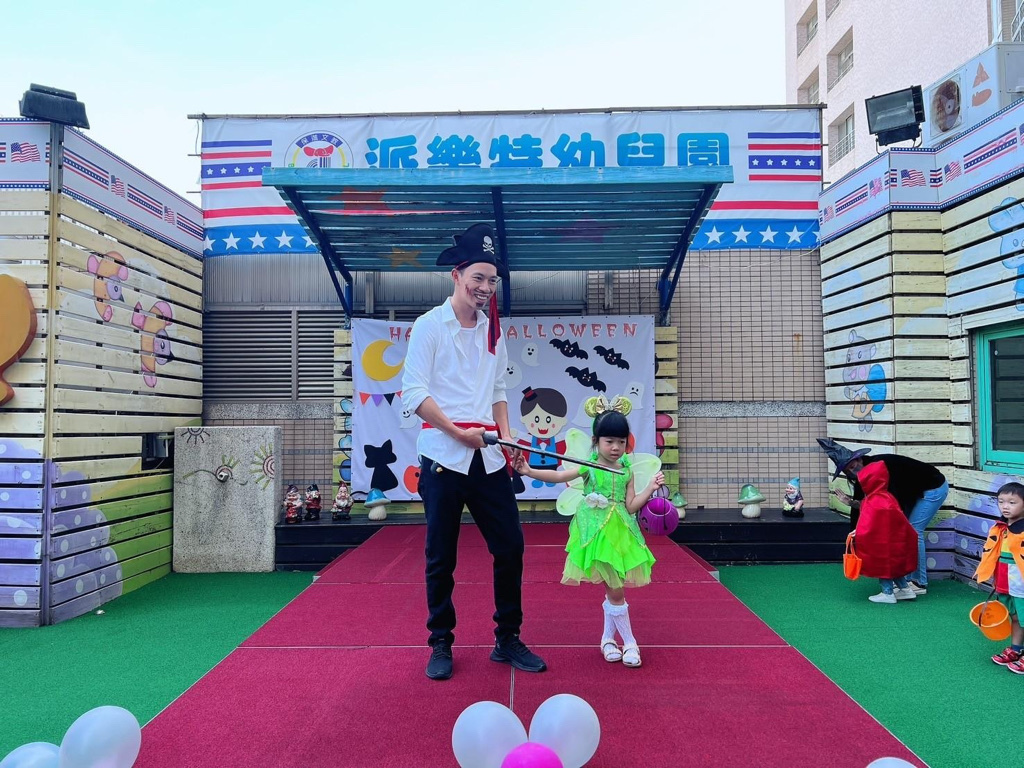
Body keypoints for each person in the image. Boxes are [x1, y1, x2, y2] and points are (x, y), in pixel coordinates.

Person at [401, 223, 546, 681]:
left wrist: (508, 440)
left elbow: (498, 390)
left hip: (489, 457)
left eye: (492, 280)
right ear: (456, 276)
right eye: (477, 278)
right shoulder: (430, 326)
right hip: (443, 457)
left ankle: (508, 638)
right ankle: (441, 641)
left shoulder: (494, 331)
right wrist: (457, 432)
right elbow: (414, 393)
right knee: (441, 556)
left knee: (511, 547)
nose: (485, 287)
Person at [513, 403, 663, 668]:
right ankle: (630, 642)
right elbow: (559, 475)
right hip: (596, 536)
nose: (615, 447)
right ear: (596, 441)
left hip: (622, 536)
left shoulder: (626, 470)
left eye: (621, 441)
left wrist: (650, 488)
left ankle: (607, 640)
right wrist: (529, 471)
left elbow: (631, 506)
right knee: (616, 590)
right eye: (609, 441)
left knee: (613, 588)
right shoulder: (588, 466)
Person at [818, 438, 948, 595]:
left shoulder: (880, 470)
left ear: (859, 459)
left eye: (852, 466)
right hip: (910, 492)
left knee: (913, 531)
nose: (852, 471)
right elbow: (866, 507)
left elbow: (890, 505)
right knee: (903, 532)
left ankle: (918, 582)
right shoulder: (863, 477)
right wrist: (853, 512)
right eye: (847, 470)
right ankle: (905, 582)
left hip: (933, 487)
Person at [974, 482, 1024, 673]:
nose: (1005, 506)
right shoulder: (1000, 527)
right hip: (1005, 582)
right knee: (1015, 617)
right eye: (1001, 501)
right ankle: (1016, 649)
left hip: (1021, 582)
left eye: (1012, 502)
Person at [852, 461, 919, 603]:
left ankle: (887, 593)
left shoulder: (873, 501)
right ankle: (905, 589)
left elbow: (869, 522)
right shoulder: (887, 497)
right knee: (893, 566)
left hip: (881, 541)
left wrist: (858, 532)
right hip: (894, 540)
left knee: (882, 565)